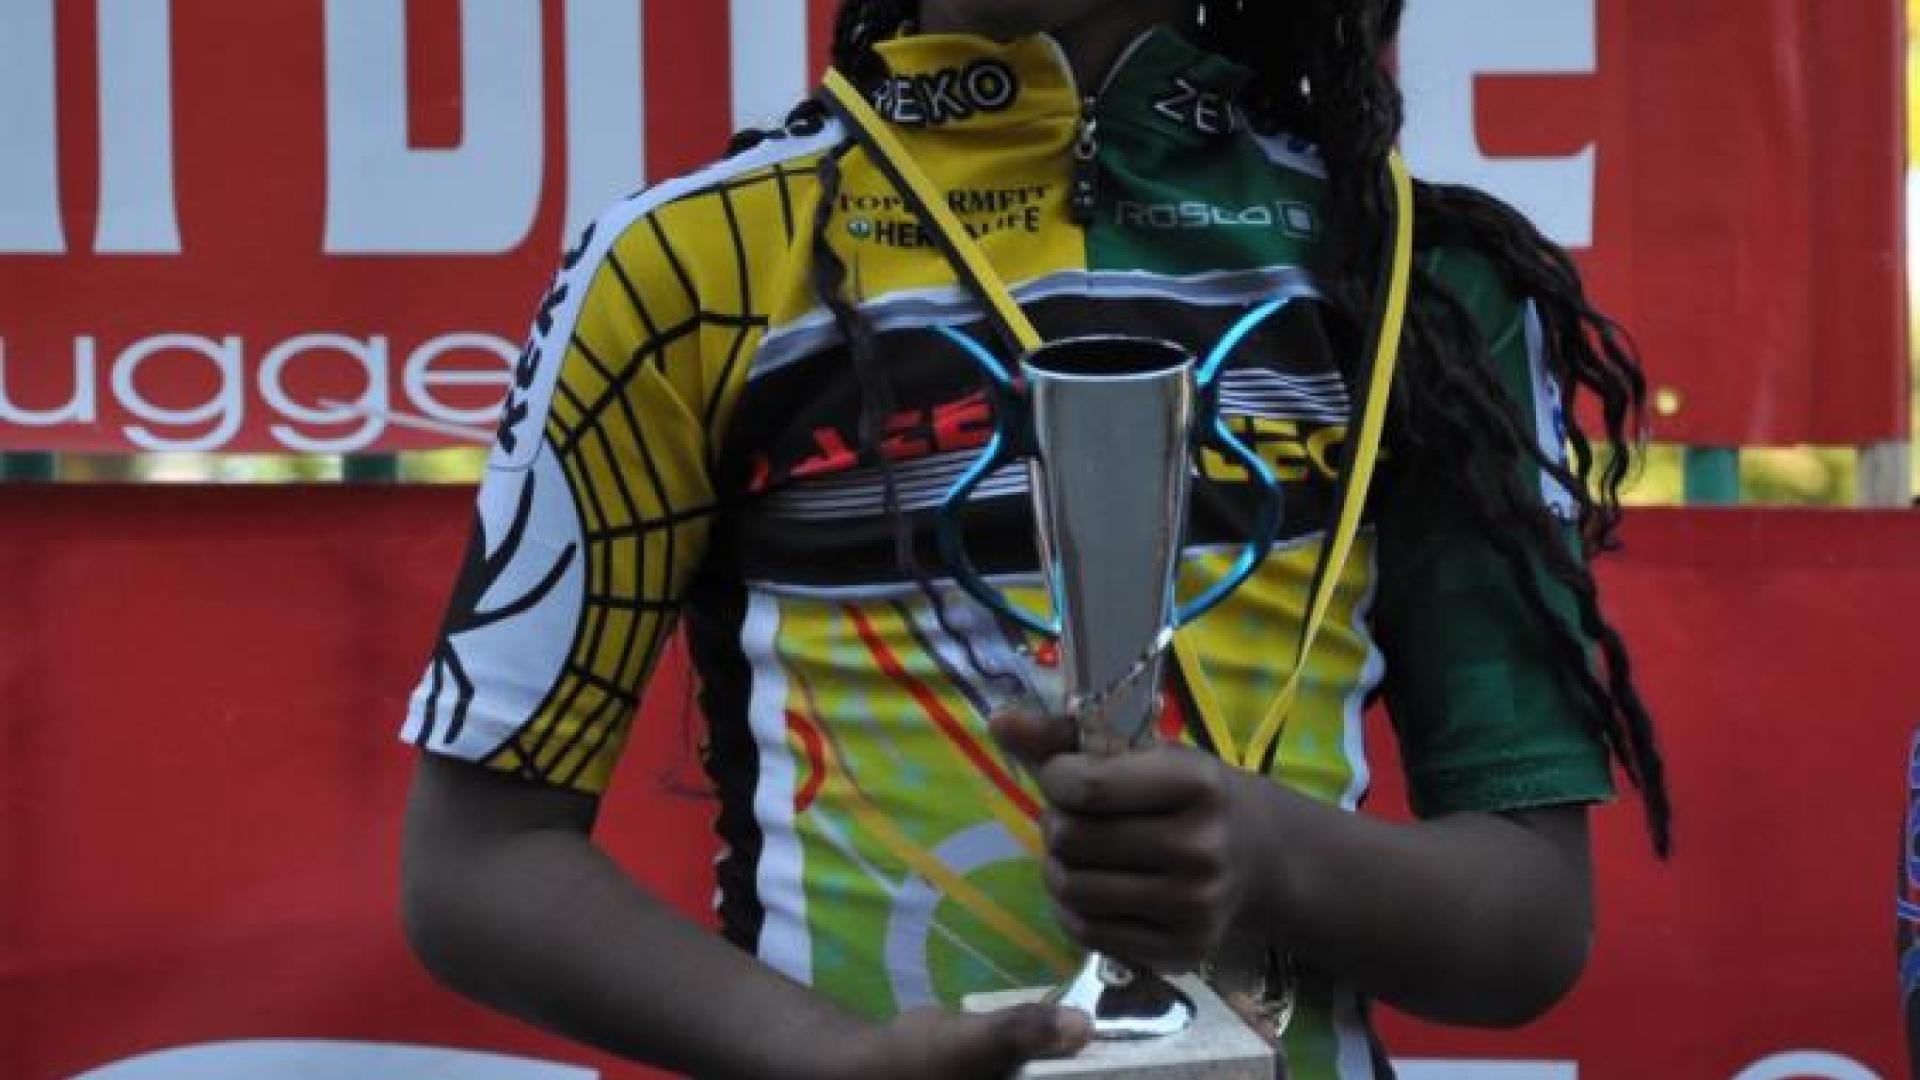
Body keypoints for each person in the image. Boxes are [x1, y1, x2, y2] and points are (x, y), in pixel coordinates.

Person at [398, 1, 1673, 1077]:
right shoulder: (688, 266)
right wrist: (826, 1057)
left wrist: (1270, 853)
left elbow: (1528, 925)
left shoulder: (1413, 276)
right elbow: (477, 866)